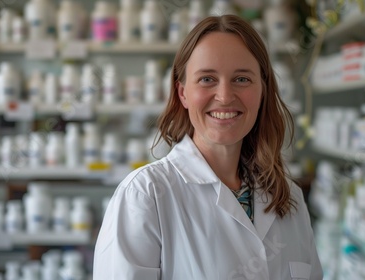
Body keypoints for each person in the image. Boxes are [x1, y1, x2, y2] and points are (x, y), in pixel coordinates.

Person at [94, 14, 322, 280]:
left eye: (242, 79)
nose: (225, 96)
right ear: (183, 94)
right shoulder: (145, 196)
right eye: (207, 79)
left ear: (263, 90)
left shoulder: (289, 198)